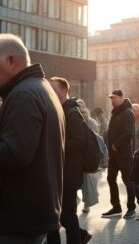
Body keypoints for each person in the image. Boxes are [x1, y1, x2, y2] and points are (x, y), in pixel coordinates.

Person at [0, 33, 64, 244]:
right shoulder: (38, 88)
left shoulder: (24, 95)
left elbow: (16, 155)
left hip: (17, 220)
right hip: (26, 216)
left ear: (11, 61)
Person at [46, 77, 91, 244]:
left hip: (69, 173)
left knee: (67, 215)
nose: (50, 92)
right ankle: (81, 235)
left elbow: (79, 141)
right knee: (59, 215)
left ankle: (78, 237)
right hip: (60, 171)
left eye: (53, 89)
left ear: (64, 91)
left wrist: (56, 145)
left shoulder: (72, 112)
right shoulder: (58, 110)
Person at [102, 90, 139, 219]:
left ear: (121, 98)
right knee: (110, 179)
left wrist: (116, 144)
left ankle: (131, 208)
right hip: (113, 155)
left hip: (124, 153)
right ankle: (116, 207)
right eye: (111, 98)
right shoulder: (116, 113)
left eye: (114, 98)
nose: (112, 100)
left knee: (127, 180)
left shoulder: (127, 112)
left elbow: (129, 132)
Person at [75, 100, 100, 214]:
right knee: (80, 181)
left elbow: (96, 139)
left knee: (83, 181)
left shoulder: (90, 122)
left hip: (83, 155)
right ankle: (81, 202)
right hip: (81, 155)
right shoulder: (74, 120)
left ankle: (84, 203)